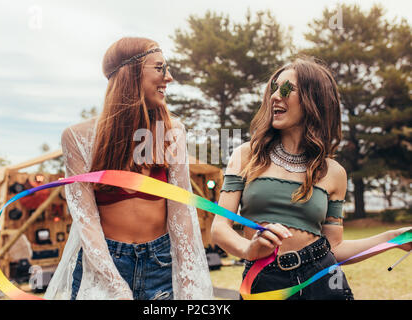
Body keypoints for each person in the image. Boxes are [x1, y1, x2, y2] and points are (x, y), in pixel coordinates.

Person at [211, 57, 411, 300]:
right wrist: (250, 249)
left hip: (322, 280)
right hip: (264, 282)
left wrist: (392, 238)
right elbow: (220, 228)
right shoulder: (246, 156)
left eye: (286, 89)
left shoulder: (334, 172)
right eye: (273, 88)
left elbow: (334, 248)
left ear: (313, 99)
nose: (275, 96)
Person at [44, 37, 213, 300]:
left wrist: (189, 280)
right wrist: (115, 286)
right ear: (130, 73)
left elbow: (182, 214)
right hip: (104, 265)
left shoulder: (173, 132)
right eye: (160, 68)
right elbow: (85, 221)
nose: (168, 77)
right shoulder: (77, 138)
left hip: (160, 265)